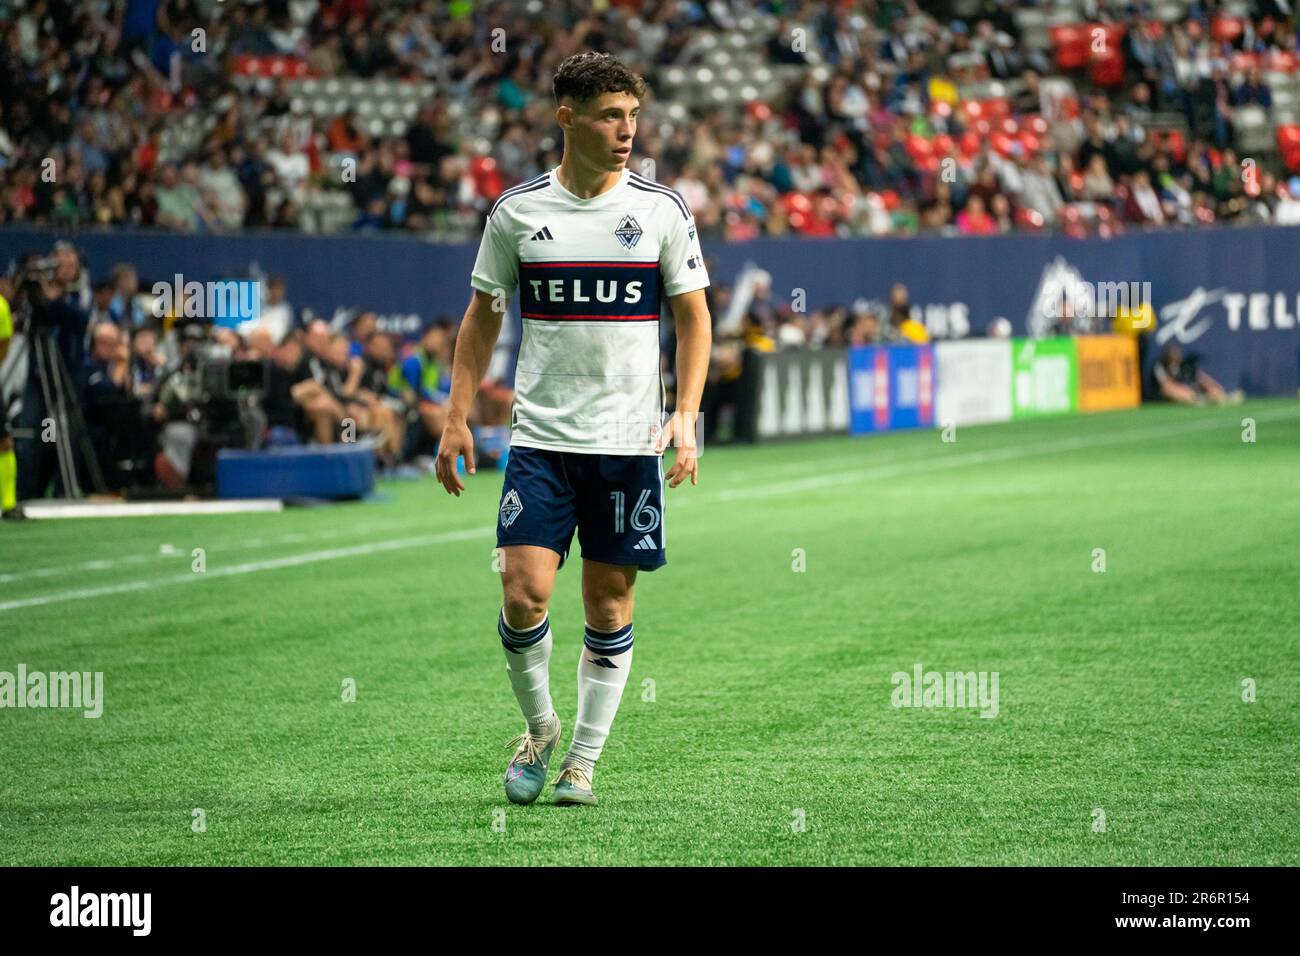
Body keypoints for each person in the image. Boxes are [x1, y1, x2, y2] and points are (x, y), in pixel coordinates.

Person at [434, 52, 712, 807]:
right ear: (567, 117)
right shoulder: (518, 212)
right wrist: (457, 416)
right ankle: (541, 728)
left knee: (608, 606)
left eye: (632, 117)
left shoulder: (661, 211)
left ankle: (581, 762)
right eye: (609, 117)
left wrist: (684, 417)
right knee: (523, 594)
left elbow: (693, 319)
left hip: (626, 446)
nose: (626, 132)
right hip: (541, 444)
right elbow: (482, 318)